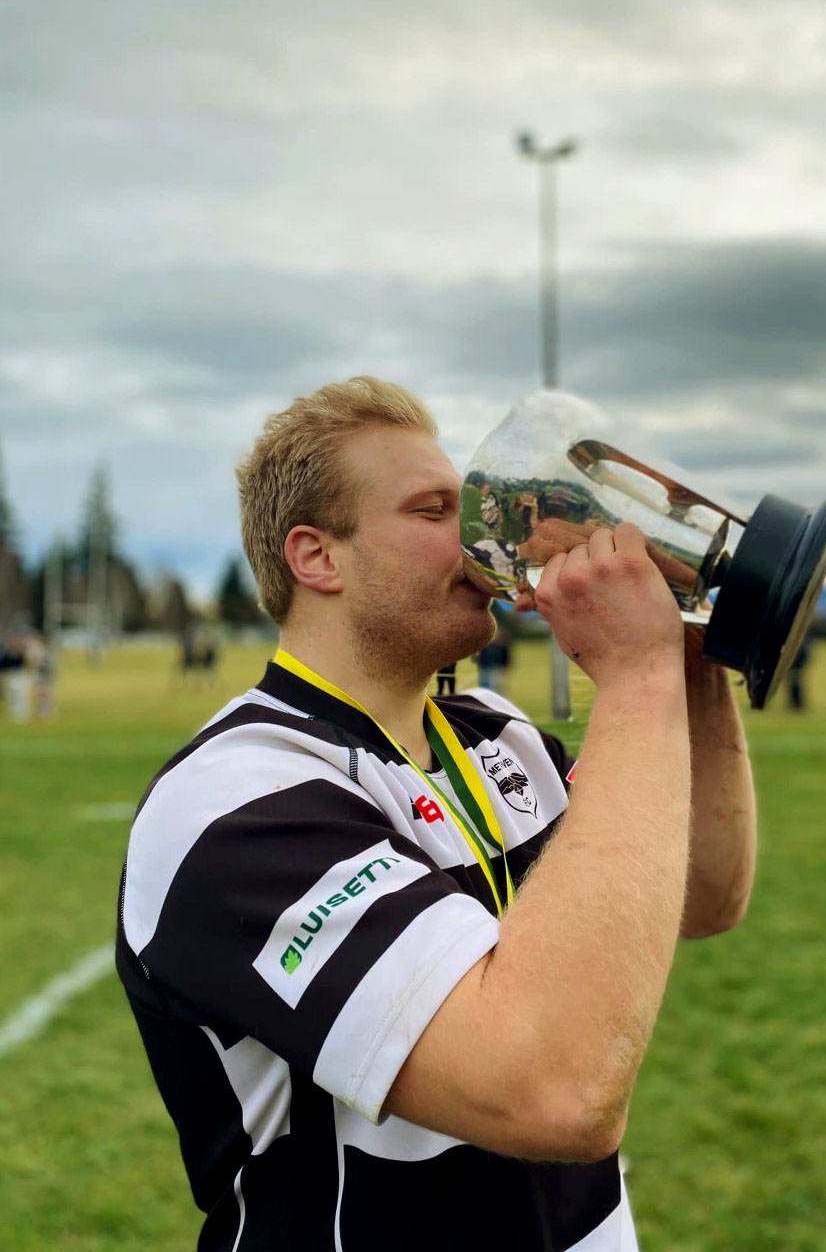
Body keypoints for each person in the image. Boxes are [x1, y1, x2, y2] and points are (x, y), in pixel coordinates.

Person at [116, 377, 757, 1251]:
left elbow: (704, 897)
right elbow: (552, 1091)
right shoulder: (236, 801)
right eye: (432, 511)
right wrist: (633, 679)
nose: (478, 536)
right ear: (318, 558)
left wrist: (686, 656)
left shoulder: (500, 734)